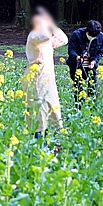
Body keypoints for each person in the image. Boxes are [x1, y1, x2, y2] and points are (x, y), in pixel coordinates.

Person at [22, 7, 68, 139]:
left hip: (47, 75)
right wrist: (44, 22)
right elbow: (46, 35)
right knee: (38, 105)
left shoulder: (46, 41)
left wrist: (52, 24)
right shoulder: (34, 35)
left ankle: (49, 136)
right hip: (36, 75)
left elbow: (64, 40)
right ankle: (38, 139)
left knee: (51, 104)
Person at [67, 20, 103, 106]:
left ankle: (92, 108)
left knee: (92, 87)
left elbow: (100, 51)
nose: (92, 38)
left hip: (91, 66)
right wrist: (77, 57)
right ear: (86, 31)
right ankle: (78, 108)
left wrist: (94, 60)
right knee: (78, 88)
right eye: (90, 36)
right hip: (77, 65)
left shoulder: (101, 36)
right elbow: (71, 50)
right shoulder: (76, 34)